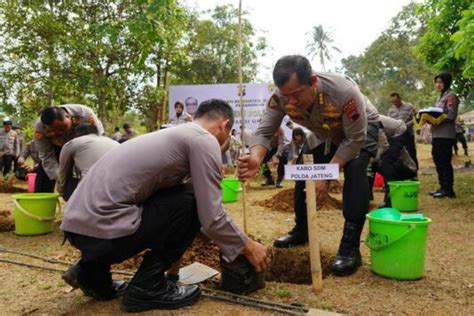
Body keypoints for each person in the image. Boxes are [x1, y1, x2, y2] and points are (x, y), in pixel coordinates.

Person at [60, 99, 267, 311]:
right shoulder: (204, 139)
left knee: (176, 197)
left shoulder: (174, 134)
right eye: (228, 133)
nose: (225, 142)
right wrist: (246, 245)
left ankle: (92, 275)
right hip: (105, 234)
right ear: (224, 125)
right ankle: (148, 287)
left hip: (78, 231)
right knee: (192, 198)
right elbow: (210, 215)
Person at [238, 55, 379, 276]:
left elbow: (353, 140)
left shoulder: (344, 92)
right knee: (303, 168)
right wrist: (256, 157)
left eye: (296, 95)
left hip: (359, 131)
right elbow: (265, 132)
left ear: (313, 81)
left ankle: (350, 248)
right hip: (324, 133)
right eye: (286, 96)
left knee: (355, 169)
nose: (291, 102)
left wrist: (327, 175)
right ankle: (301, 230)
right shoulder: (280, 97)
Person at [34, 104, 104, 192]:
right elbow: (46, 155)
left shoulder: (84, 114)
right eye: (55, 131)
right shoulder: (40, 127)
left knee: (89, 173)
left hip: (84, 146)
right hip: (57, 148)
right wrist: (60, 179)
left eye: (63, 128)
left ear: (68, 117)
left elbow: (98, 140)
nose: (62, 132)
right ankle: (42, 201)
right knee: (45, 175)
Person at [57, 124, 119, 200]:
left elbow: (63, 173)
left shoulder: (73, 143)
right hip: (120, 188)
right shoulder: (114, 142)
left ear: (76, 135)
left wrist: (62, 192)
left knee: (69, 179)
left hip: (93, 191)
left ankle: (75, 205)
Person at [376, 115, 417, 207]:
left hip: (400, 131)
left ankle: (389, 199)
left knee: (386, 162)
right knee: (377, 164)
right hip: (392, 135)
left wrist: (376, 158)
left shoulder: (370, 122)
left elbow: (384, 145)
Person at [429, 72, 459, 198]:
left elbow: (451, 115)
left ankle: (448, 189)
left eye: (441, 82)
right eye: (437, 82)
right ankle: (442, 187)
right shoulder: (440, 97)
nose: (438, 85)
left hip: (446, 135)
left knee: (444, 161)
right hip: (437, 134)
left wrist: (437, 119)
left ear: (447, 82)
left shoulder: (451, 96)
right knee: (437, 160)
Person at [388, 92, 418, 168]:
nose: (394, 103)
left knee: (411, 153)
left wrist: (406, 125)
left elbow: (416, 118)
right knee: (400, 154)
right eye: (392, 102)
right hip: (398, 136)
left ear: (400, 98)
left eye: (396, 101)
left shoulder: (409, 107)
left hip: (408, 134)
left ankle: (414, 171)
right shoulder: (391, 110)